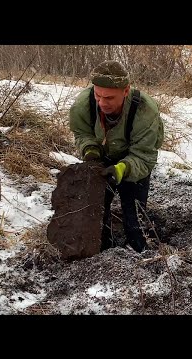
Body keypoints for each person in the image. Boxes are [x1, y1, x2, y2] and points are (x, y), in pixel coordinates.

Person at [69, 60, 164, 253]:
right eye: (98, 95)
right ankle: (104, 249)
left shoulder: (145, 111)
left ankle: (139, 252)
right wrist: (90, 150)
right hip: (103, 158)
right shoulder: (83, 104)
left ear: (126, 91)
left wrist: (121, 169)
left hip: (134, 163)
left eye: (110, 98)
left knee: (135, 219)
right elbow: (82, 134)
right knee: (96, 215)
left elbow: (144, 156)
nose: (102, 103)